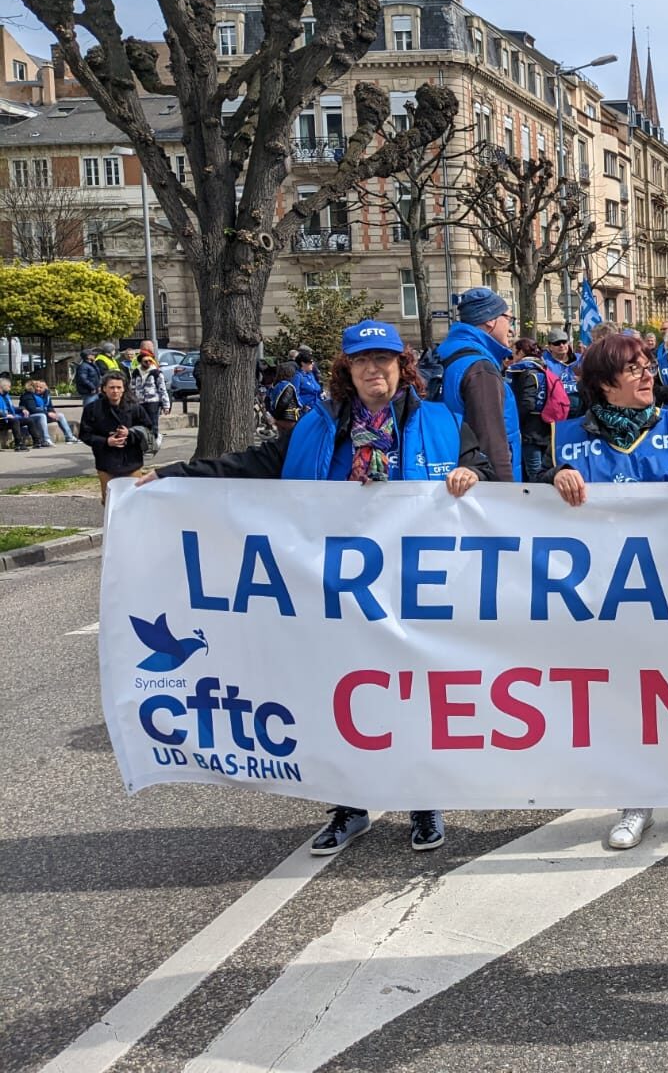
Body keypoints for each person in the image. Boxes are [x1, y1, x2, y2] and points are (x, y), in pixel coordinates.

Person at [145, 320, 491, 854]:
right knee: (341, 697)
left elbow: (483, 470)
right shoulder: (316, 426)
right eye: (361, 361)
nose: (374, 370)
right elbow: (255, 465)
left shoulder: (442, 422)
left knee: (413, 692)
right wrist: (173, 476)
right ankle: (350, 804)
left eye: (384, 360)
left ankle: (424, 800)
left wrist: (473, 475)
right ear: (345, 370)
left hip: (412, 590)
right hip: (333, 593)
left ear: (403, 366)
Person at [538, 332, 668, 850]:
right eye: (634, 368)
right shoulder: (565, 438)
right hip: (606, 597)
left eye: (648, 365)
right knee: (624, 696)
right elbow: (520, 498)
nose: (649, 374)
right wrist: (554, 474)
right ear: (602, 385)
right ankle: (636, 799)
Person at [438, 286, 521, 482]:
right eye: (508, 319)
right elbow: (492, 443)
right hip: (482, 487)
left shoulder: (445, 353)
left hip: (452, 471)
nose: (511, 329)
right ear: (490, 320)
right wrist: (507, 495)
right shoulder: (481, 369)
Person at [78, 371, 150, 499]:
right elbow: (85, 434)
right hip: (106, 463)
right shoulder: (92, 409)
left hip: (131, 462)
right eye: (111, 387)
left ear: (124, 389)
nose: (115, 391)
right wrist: (106, 441)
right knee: (110, 501)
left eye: (118, 387)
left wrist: (131, 433)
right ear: (104, 389)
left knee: (133, 499)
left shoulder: (135, 408)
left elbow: (150, 430)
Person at [506, 337, 570, 480]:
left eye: (514, 353)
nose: (513, 358)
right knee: (546, 467)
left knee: (534, 471)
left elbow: (527, 403)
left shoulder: (526, 372)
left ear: (521, 352)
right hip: (548, 426)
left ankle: (537, 500)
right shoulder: (544, 368)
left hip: (532, 431)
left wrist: (515, 420)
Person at [128, 348, 171, 452]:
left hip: (153, 402)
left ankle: (153, 443)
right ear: (141, 361)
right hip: (139, 402)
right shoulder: (136, 372)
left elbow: (162, 389)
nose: (147, 363)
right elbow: (132, 388)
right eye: (145, 361)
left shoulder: (156, 373)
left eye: (150, 361)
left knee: (153, 423)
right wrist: (131, 401)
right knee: (140, 424)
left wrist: (166, 405)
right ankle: (144, 444)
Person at [543, 330, 581, 400]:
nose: (561, 345)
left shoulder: (580, 359)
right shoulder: (544, 363)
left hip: (581, 404)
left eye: (564, 342)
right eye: (557, 343)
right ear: (550, 347)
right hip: (557, 404)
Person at [0, 378, 36, 450]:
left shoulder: (6, 396)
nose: (10, 388)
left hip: (8, 419)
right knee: (15, 420)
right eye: (9, 386)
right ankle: (18, 443)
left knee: (29, 420)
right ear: (2, 386)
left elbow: (12, 408)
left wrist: (22, 409)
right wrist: (5, 415)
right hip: (1, 420)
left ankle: (37, 441)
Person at [292, 348, 323, 413]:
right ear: (303, 363)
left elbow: (317, 388)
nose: (313, 364)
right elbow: (295, 395)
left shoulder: (311, 375)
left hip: (317, 408)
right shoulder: (298, 377)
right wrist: (302, 406)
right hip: (306, 410)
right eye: (311, 362)